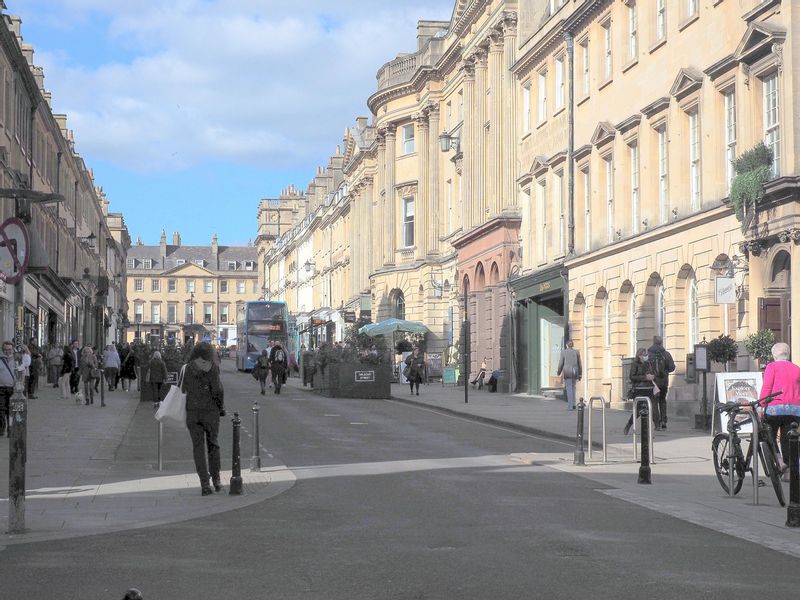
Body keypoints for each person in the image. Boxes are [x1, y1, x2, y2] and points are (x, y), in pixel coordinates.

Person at [182, 342, 225, 495]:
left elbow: (182, 389)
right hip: (210, 412)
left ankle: (204, 484)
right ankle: (217, 480)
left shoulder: (187, 368)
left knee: (198, 448)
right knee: (213, 444)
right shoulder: (213, 367)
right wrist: (220, 407)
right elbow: (218, 390)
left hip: (193, 412)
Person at [759, 342, 800, 479]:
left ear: (774, 355)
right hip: (794, 410)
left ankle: (779, 461)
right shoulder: (797, 368)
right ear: (788, 354)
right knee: (788, 439)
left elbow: (767, 388)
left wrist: (761, 404)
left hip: (774, 409)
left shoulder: (772, 367)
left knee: (769, 436)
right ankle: (788, 474)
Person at [623, 348, 659, 436]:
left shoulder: (648, 363)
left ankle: (653, 428)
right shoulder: (635, 364)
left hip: (649, 389)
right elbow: (632, 376)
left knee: (652, 408)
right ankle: (629, 425)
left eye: (646, 354)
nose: (646, 356)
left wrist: (653, 376)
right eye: (644, 355)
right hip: (639, 390)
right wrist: (645, 377)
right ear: (639, 355)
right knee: (638, 410)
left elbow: (654, 373)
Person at [648, 335, 676, 430]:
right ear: (661, 343)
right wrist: (665, 371)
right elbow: (672, 367)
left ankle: (657, 424)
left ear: (653, 342)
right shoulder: (666, 354)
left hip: (653, 383)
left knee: (654, 402)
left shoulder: (649, 354)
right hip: (664, 382)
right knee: (663, 401)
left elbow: (645, 368)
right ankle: (664, 421)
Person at [556, 340, 582, 410]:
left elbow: (561, 363)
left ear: (567, 345)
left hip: (567, 371)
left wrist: (558, 372)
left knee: (569, 388)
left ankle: (570, 406)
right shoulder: (576, 352)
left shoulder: (563, 352)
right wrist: (580, 374)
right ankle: (573, 404)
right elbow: (580, 364)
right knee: (573, 388)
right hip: (575, 371)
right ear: (572, 345)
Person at [0, 341, 16, 436]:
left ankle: (11, 430)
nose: (7, 352)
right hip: (1, 388)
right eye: (5, 350)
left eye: (9, 349)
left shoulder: (17, 359)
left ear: (13, 349)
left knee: (11, 410)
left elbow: (22, 372)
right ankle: (1, 429)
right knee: (1, 410)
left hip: (13, 389)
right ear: (2, 350)